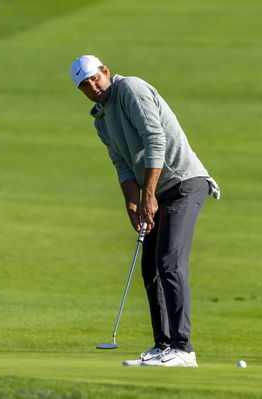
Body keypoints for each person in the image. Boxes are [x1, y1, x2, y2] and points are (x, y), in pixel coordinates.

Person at [70, 55, 220, 367]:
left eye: (94, 78)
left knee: (169, 261)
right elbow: (122, 163)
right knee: (150, 268)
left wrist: (149, 194)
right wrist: (133, 203)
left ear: (105, 71)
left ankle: (183, 348)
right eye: (84, 85)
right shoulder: (100, 117)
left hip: (183, 183)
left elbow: (155, 140)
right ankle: (163, 345)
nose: (92, 87)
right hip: (159, 191)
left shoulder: (131, 89)